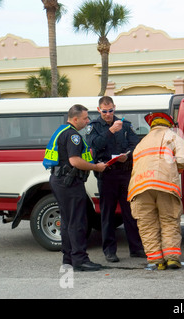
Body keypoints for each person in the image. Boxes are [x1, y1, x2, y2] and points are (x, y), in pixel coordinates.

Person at [44, 104, 107, 271]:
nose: (88, 121)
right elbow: (75, 161)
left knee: (67, 221)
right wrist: (96, 167)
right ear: (75, 119)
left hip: (60, 180)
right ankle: (80, 259)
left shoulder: (62, 131)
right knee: (77, 222)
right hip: (69, 183)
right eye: (85, 118)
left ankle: (69, 258)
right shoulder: (74, 136)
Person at [128, 112, 184, 270]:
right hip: (165, 185)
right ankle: (171, 258)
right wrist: (173, 170)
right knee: (169, 220)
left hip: (139, 186)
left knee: (147, 224)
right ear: (168, 124)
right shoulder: (172, 136)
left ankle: (157, 261)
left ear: (152, 125)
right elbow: (183, 158)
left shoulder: (141, 142)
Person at [86, 96, 144, 263]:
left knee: (130, 213)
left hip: (125, 173)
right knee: (107, 215)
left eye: (111, 110)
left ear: (114, 108)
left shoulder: (125, 125)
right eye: (104, 111)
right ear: (99, 110)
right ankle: (109, 251)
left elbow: (135, 145)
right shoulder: (94, 127)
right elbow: (94, 145)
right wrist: (110, 131)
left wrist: (127, 156)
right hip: (107, 175)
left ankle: (136, 248)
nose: (108, 114)